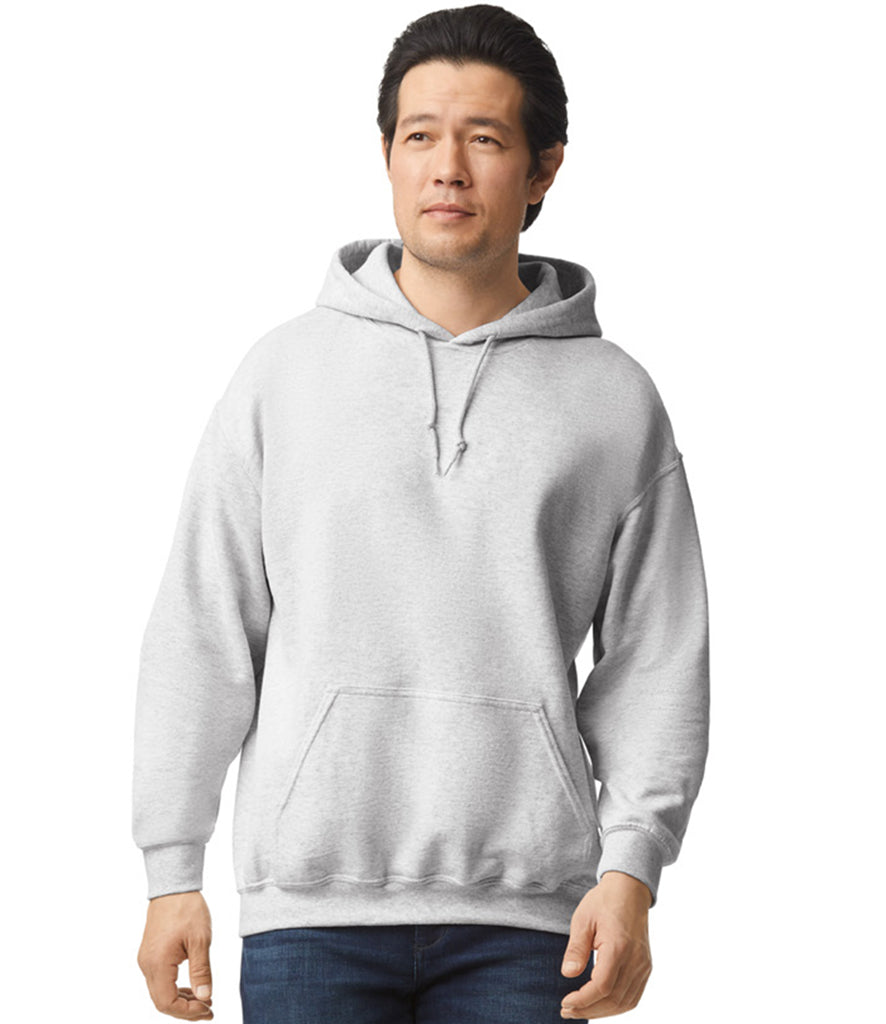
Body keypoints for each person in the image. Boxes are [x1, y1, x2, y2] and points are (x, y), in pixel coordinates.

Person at [132, 5, 710, 1022]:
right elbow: (203, 624)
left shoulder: (614, 399)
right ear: (387, 156)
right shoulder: (282, 375)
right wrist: (170, 865)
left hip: (533, 921)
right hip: (308, 912)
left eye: (483, 139)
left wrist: (632, 868)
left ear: (542, 169)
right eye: (419, 136)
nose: (447, 168)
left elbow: (658, 658)